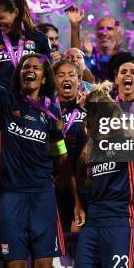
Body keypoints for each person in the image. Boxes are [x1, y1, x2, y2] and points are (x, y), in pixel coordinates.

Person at [0, 54, 85, 267]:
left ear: (44, 79)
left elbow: (61, 157)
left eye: (36, 68)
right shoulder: (7, 100)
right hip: (12, 193)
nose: (30, 70)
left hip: (43, 195)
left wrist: (76, 200)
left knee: (44, 263)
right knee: (15, 263)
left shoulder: (52, 113)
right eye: (26, 67)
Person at [75, 82, 134, 268]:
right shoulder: (90, 147)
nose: (97, 118)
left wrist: (119, 118)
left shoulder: (126, 139)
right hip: (92, 224)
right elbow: (82, 180)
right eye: (92, 113)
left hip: (120, 221)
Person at [0, 0, 52, 88]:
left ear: (15, 13)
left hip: (30, 98)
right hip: (1, 99)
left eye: (0, 18)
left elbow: (47, 65)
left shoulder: (39, 39)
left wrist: (35, 63)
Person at [53, 60, 87, 233]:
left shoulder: (88, 109)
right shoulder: (47, 109)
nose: (67, 79)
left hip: (81, 184)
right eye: (61, 75)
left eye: (71, 75)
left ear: (79, 81)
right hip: (54, 181)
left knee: (76, 234)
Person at [68, 6, 122, 81]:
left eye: (109, 29)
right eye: (101, 29)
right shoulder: (88, 55)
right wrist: (75, 27)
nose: (104, 33)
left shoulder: (124, 57)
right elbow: (76, 68)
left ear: (117, 32)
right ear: (95, 32)